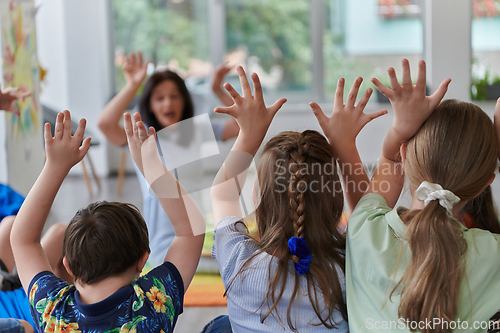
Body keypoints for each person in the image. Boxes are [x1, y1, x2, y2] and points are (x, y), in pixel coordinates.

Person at [207, 67, 386, 332]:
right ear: (335, 200)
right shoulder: (354, 262)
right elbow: (367, 217)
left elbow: (222, 192)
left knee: (220, 327)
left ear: (258, 196)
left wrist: (249, 133)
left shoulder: (238, 260)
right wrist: (346, 145)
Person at [10, 110, 205, 332]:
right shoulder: (154, 303)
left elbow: (23, 240)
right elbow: (191, 231)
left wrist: (54, 167)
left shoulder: (52, 310)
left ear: (69, 267)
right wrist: (151, 167)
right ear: (142, 261)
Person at [346, 59, 500, 333]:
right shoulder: (493, 254)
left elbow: (389, 161)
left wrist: (399, 129)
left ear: (405, 155)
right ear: (485, 184)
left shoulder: (364, 230)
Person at [98, 51, 238, 266]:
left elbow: (239, 126)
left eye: (174, 96)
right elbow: (105, 124)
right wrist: (133, 85)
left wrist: (217, 89)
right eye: (159, 97)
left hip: (196, 232)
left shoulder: (195, 129)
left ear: (185, 99)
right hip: (162, 241)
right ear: (150, 103)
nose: (167, 104)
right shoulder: (143, 136)